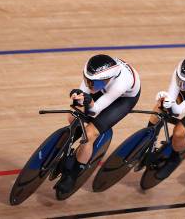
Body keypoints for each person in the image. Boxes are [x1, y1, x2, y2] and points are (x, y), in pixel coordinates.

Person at [57, 54, 141, 193]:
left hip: (123, 100)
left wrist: (88, 103)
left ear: (109, 79)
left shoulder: (120, 84)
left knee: (89, 135)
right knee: (73, 117)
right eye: (87, 80)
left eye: (93, 83)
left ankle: (73, 175)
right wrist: (77, 97)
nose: (89, 84)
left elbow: (95, 110)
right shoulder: (93, 75)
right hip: (104, 86)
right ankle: (70, 148)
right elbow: (83, 92)